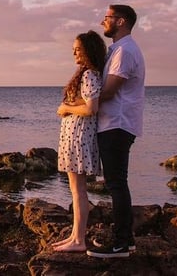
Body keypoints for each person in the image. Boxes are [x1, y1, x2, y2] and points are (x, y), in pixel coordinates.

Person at [86, 4, 146, 259]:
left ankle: (123, 243)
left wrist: (78, 107)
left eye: (107, 18)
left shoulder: (125, 51)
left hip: (117, 124)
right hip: (113, 124)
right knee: (116, 183)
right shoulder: (118, 50)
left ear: (120, 21)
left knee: (116, 183)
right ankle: (125, 240)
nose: (103, 22)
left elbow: (109, 92)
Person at [52, 30, 107, 252]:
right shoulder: (87, 73)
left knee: (78, 191)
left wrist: (66, 107)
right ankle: (75, 235)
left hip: (79, 138)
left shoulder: (89, 75)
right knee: (76, 190)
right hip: (76, 137)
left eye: (78, 49)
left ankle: (78, 240)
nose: (74, 52)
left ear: (88, 50)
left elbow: (91, 108)